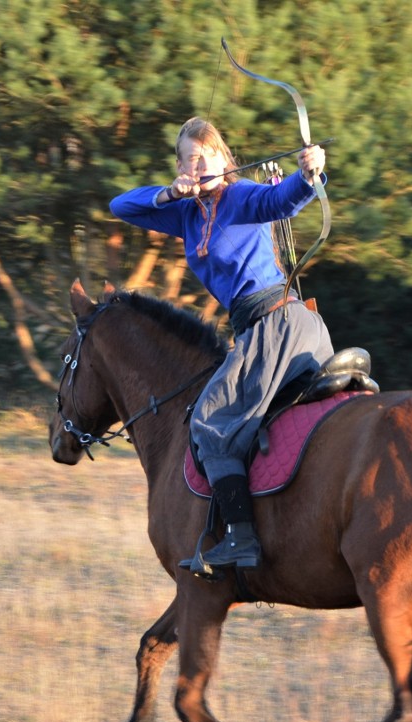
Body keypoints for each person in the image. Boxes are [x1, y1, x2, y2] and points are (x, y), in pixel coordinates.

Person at [109, 117, 334, 572]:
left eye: (205, 156)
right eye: (189, 159)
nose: (198, 165)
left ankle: (241, 539)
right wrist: (172, 193)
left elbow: (282, 199)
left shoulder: (240, 196)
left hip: (278, 327)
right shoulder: (188, 214)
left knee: (210, 421)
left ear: (225, 161)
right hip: (273, 330)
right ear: (180, 166)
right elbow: (121, 206)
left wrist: (309, 174)